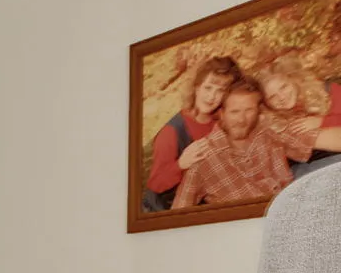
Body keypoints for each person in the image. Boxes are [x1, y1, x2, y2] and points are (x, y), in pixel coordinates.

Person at [173, 77, 308, 209]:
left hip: (291, 209)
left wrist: (321, 121)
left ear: (258, 110)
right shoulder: (203, 156)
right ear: (221, 114)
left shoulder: (268, 131)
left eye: (249, 110)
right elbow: (176, 216)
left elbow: (309, 145)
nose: (242, 120)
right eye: (234, 112)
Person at [144, 55, 240, 211]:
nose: (212, 97)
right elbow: (156, 184)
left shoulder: (220, 122)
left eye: (220, 91)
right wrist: (181, 164)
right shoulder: (171, 132)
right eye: (208, 88)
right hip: (166, 208)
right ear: (197, 87)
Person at [252, 57, 341, 181]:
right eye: (272, 97)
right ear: (266, 103)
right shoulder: (276, 123)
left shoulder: (327, 90)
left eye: (283, 87)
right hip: (313, 168)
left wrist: (322, 121)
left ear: (294, 80)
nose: (281, 97)